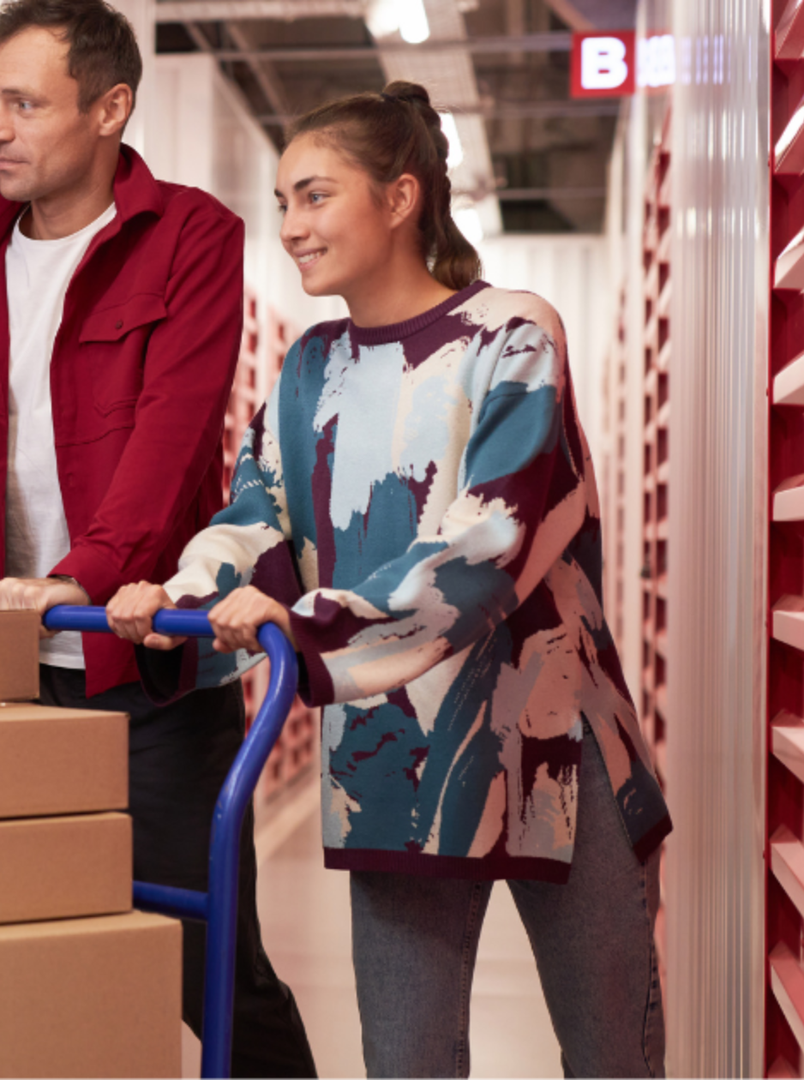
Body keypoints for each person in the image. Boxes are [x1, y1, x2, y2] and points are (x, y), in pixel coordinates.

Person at [106, 81, 672, 1077]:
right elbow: (258, 518)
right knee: (408, 1064)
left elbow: (485, 546)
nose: (291, 227)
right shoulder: (309, 369)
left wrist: (306, 623)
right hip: (394, 762)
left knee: (612, 1058)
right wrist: (183, 599)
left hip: (554, 750)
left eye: (315, 196)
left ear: (401, 197)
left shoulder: (511, 337)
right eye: (283, 202)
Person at [0, 1, 316, 1074]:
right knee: (20, 968)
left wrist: (76, 575)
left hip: (145, 675)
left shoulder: (192, 239)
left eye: (24, 104)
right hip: (0, 677)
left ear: (111, 108)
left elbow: (168, 438)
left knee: (207, 970)